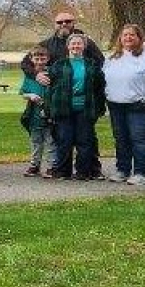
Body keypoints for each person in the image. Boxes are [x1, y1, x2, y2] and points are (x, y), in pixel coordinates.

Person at [103, 24, 145, 185]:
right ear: (120, 38)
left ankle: (141, 173)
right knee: (121, 138)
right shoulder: (114, 56)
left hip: (140, 104)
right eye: (125, 35)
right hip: (116, 104)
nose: (128, 38)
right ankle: (123, 170)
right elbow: (104, 77)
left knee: (139, 138)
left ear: (139, 37)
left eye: (132, 35)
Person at [47, 33, 106, 181]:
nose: (76, 46)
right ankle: (62, 171)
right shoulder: (59, 65)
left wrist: (99, 108)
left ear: (84, 46)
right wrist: (49, 109)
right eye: (73, 44)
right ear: (68, 46)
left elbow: (100, 87)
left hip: (85, 108)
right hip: (63, 108)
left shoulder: (91, 65)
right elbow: (50, 87)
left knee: (84, 141)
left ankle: (83, 171)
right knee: (64, 140)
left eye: (79, 43)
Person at [18, 45, 56, 178]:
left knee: (50, 141)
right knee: (35, 141)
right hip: (34, 115)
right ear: (31, 59)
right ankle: (35, 165)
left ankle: (51, 166)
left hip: (49, 115)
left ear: (48, 59)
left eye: (42, 59)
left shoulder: (52, 74)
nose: (40, 62)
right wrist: (30, 96)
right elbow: (23, 92)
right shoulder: (30, 76)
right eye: (37, 59)